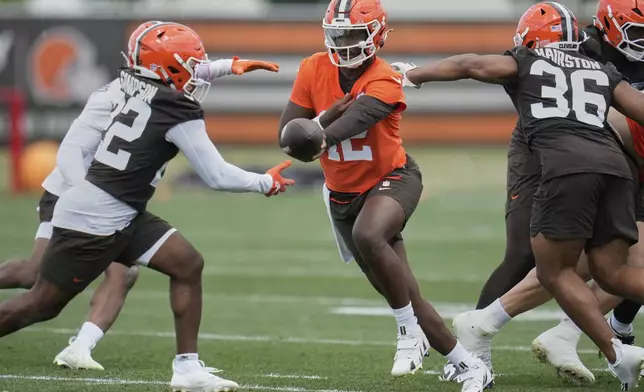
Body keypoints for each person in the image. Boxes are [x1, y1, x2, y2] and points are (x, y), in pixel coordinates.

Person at [0, 21, 292, 392]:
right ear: (166, 69)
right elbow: (217, 175)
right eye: (190, 66)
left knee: (186, 263)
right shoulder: (177, 110)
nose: (195, 74)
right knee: (41, 303)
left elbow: (172, 67)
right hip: (97, 215)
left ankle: (187, 369)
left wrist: (226, 66)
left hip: (118, 207)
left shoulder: (122, 85)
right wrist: (264, 182)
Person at [392, 1, 644, 389]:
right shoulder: (602, 67)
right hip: (616, 170)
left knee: (553, 270)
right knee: (611, 272)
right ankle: (598, 343)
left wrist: (414, 76)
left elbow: (470, 65)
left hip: (566, 165)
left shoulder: (527, 61)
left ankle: (614, 351)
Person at [278, 1, 492, 390]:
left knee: (369, 235)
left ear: (376, 34)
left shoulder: (385, 78)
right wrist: (322, 119)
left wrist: (320, 131)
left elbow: (352, 123)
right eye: (337, 34)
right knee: (403, 291)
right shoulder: (313, 68)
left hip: (393, 178)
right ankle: (469, 366)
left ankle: (409, 334)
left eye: (353, 34)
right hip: (343, 196)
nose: (343, 43)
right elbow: (287, 137)